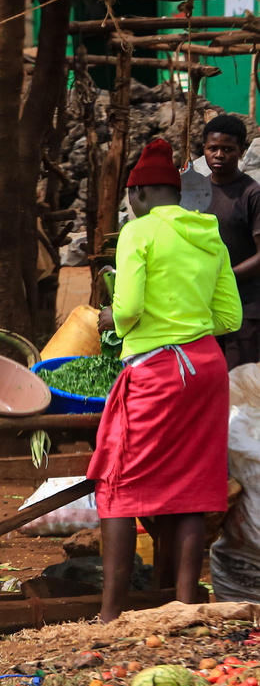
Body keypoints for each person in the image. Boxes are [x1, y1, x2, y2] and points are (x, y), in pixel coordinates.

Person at [91, 138, 242, 622]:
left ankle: (112, 615)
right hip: (206, 367)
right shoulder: (209, 232)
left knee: (117, 484)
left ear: (137, 196)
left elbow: (129, 307)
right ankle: (185, 603)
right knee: (192, 482)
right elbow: (229, 316)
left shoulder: (137, 233)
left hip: (157, 370)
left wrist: (112, 321)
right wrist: (187, 325)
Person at [201, 114, 260, 368]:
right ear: (203, 149)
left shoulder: (252, 194)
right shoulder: (195, 193)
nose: (219, 154)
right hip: (203, 304)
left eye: (228, 149)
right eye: (212, 148)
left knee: (240, 380)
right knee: (208, 377)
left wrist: (224, 276)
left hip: (245, 306)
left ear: (242, 152)